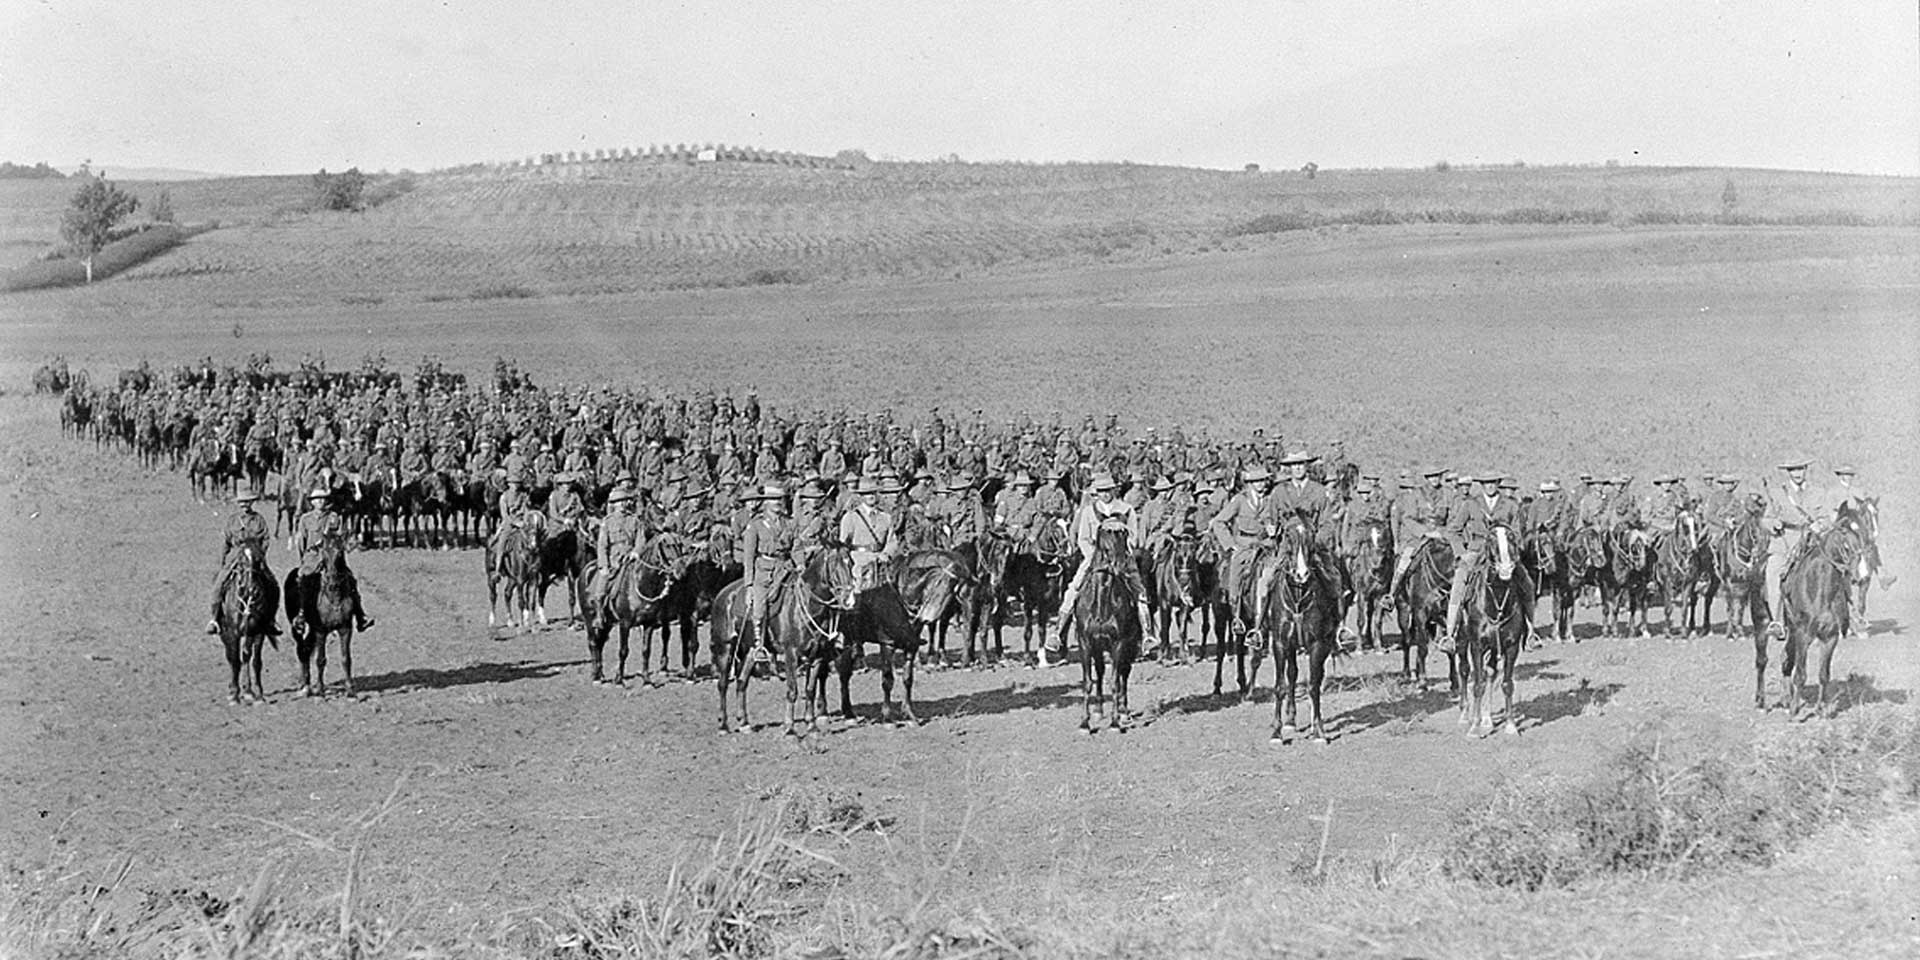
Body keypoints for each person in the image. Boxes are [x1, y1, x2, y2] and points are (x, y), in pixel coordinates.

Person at [1055, 473, 1155, 656]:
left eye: (1108, 490)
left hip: (1121, 558)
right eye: (1101, 491)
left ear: (1114, 490)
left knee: (1139, 591)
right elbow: (1083, 538)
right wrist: (1095, 556)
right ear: (1096, 492)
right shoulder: (1088, 511)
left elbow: (1133, 536)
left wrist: (1123, 554)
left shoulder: (1127, 510)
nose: (1105, 494)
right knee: (1074, 587)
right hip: (1095, 558)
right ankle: (1058, 632)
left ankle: (1147, 634)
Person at [1439, 473, 1531, 651]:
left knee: (1527, 583)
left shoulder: (1511, 505)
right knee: (1459, 584)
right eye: (1486, 483)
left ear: (1498, 484)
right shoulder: (1471, 504)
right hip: (1477, 551)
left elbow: (1519, 532)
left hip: (1503, 552)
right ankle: (1450, 635)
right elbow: (1453, 531)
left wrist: (1512, 551)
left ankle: (1531, 632)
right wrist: (1462, 553)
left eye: (1493, 483)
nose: (1490, 486)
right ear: (1481, 485)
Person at [1761, 456, 1837, 640]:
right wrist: (1774, 523)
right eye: (1793, 470)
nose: (1797, 474)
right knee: (1773, 572)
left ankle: (1842, 616)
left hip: (1812, 544)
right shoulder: (1778, 492)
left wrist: (1819, 526)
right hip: (1784, 542)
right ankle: (1777, 621)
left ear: (1805, 470)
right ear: (1788, 472)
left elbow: (1827, 518)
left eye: (1800, 469)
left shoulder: (1818, 492)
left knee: (1836, 570)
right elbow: (1766, 519)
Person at [293, 488, 375, 632]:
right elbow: (301, 542)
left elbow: (339, 537)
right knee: (303, 581)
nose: (320, 502)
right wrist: (305, 560)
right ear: (312, 502)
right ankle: (301, 615)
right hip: (313, 558)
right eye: (317, 499)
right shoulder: (305, 519)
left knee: (350, 581)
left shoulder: (333, 517)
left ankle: (361, 616)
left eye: (323, 499)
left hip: (332, 557)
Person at [1209, 465, 1275, 626]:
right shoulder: (1240, 499)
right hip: (1244, 545)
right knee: (1235, 574)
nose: (1260, 484)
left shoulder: (1270, 499)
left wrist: (1274, 528)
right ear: (1250, 483)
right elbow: (1218, 521)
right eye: (1256, 481)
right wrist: (1230, 544)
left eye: (1262, 481)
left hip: (1266, 544)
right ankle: (1236, 613)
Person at [207, 489, 278, 635]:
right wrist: (223, 561)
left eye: (247, 501)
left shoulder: (259, 520)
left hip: (255, 559)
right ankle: (214, 619)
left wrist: (259, 555)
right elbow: (226, 542)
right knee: (218, 586)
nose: (244, 504)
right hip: (234, 558)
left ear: (252, 502)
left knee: (273, 586)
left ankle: (271, 620)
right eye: (242, 502)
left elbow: (265, 539)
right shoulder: (233, 520)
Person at [741, 483, 798, 643]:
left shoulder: (789, 523)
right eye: (773, 499)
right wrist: (749, 584)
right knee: (759, 607)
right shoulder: (756, 525)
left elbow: (796, 547)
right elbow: (749, 556)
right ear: (765, 502)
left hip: (786, 570)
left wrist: (800, 564)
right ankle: (758, 643)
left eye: (780, 499)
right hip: (764, 573)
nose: (778, 502)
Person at [1387, 467, 1449, 601]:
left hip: (1442, 536)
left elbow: (1453, 517)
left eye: (1437, 476)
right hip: (1419, 538)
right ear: (1426, 478)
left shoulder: (1447, 493)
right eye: (1431, 476)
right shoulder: (1417, 494)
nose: (1435, 479)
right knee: (1405, 560)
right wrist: (1426, 532)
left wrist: (1443, 532)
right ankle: (1392, 594)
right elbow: (1408, 518)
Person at [590, 486, 645, 614]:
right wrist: (603, 565)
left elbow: (640, 540)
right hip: (613, 559)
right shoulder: (607, 522)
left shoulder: (634, 520)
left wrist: (636, 552)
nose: (622, 505)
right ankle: (599, 614)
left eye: (624, 501)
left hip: (631, 559)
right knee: (601, 587)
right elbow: (602, 545)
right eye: (619, 502)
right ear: (614, 504)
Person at [839, 475, 896, 590]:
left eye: (873, 493)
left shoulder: (886, 517)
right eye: (867, 493)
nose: (871, 496)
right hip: (859, 565)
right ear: (860, 496)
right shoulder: (851, 517)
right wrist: (850, 564)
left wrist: (886, 554)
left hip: (882, 565)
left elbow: (892, 541)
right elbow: (843, 546)